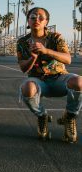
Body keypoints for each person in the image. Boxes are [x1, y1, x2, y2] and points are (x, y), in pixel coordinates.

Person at [17, 7, 82, 143]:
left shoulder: (55, 37)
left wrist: (46, 50)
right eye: (33, 17)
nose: (37, 19)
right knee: (27, 88)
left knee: (79, 82)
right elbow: (23, 68)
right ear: (28, 21)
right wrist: (33, 56)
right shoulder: (22, 42)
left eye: (41, 17)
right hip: (38, 81)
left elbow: (67, 59)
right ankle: (42, 116)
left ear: (46, 22)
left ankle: (69, 117)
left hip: (59, 78)